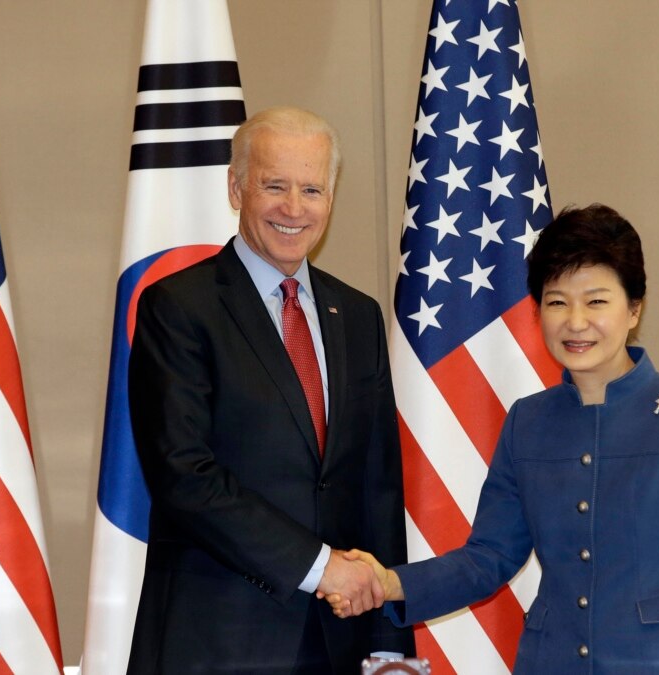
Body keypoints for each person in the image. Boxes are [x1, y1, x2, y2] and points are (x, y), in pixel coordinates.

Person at [329, 204, 659, 673]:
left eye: (597, 301)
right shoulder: (528, 421)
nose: (576, 321)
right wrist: (388, 582)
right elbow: (488, 558)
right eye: (557, 301)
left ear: (634, 309)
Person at [127, 106, 414, 673]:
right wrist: (318, 565)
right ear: (235, 189)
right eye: (274, 185)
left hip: (340, 642)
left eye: (311, 189)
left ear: (330, 199)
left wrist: (389, 651)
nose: (293, 207)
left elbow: (377, 491)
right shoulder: (177, 308)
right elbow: (184, 476)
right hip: (218, 642)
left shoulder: (358, 315)